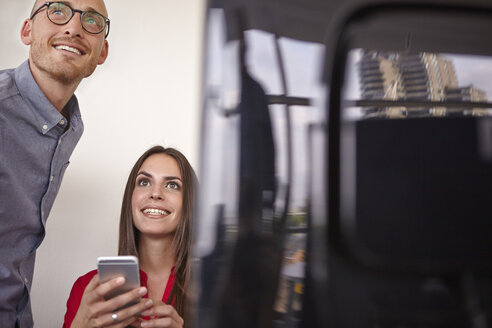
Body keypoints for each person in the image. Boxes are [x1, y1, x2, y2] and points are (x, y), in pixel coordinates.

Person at [0, 0, 109, 326]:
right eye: (57, 10)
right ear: (27, 29)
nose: (74, 27)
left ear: (102, 52)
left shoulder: (70, 126)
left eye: (92, 20)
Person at [63, 146, 196, 328]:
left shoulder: (217, 292)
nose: (155, 193)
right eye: (144, 182)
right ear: (130, 197)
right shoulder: (88, 290)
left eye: (172, 185)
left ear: (189, 202)